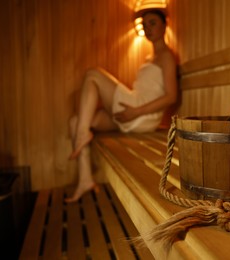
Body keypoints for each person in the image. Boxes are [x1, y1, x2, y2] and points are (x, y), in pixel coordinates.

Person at [65, 9, 178, 203]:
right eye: (144, 24)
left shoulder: (166, 56)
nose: (147, 28)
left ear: (164, 25)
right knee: (76, 120)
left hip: (141, 114)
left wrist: (136, 111)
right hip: (135, 115)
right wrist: (133, 112)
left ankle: (83, 134)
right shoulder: (151, 58)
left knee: (93, 74)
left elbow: (171, 96)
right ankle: (85, 178)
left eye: (152, 23)